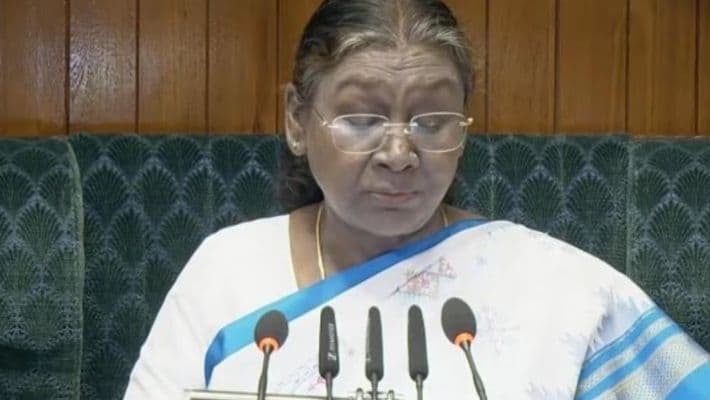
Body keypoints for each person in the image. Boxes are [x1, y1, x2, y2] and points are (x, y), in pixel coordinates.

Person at [123, 0, 710, 399]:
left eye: (432, 121)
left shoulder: (550, 283)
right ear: (298, 121)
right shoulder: (227, 271)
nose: (400, 153)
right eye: (361, 119)